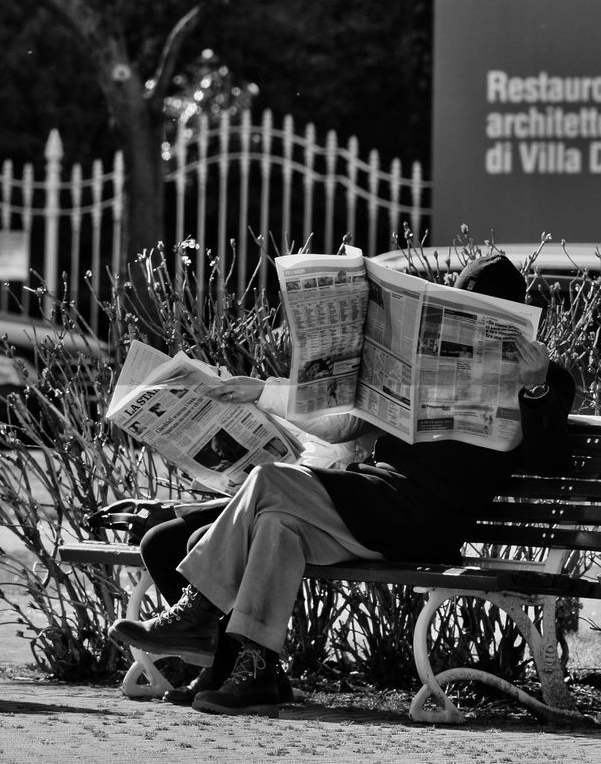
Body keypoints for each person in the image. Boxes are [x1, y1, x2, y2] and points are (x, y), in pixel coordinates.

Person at [108, 254, 575, 717]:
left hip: (429, 523)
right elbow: (343, 424)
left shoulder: (548, 378)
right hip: (378, 499)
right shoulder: (417, 362)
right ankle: (255, 674)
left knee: (269, 480)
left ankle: (198, 610)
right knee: (276, 524)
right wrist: (265, 391)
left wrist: (534, 390)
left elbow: (551, 460)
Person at [92, 372, 378, 704]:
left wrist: (263, 392)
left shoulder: (365, 383)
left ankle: (237, 666)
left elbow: (340, 428)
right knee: (159, 542)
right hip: (282, 486)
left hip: (322, 503)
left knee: (198, 539)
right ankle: (220, 660)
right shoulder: (312, 379)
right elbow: (302, 442)